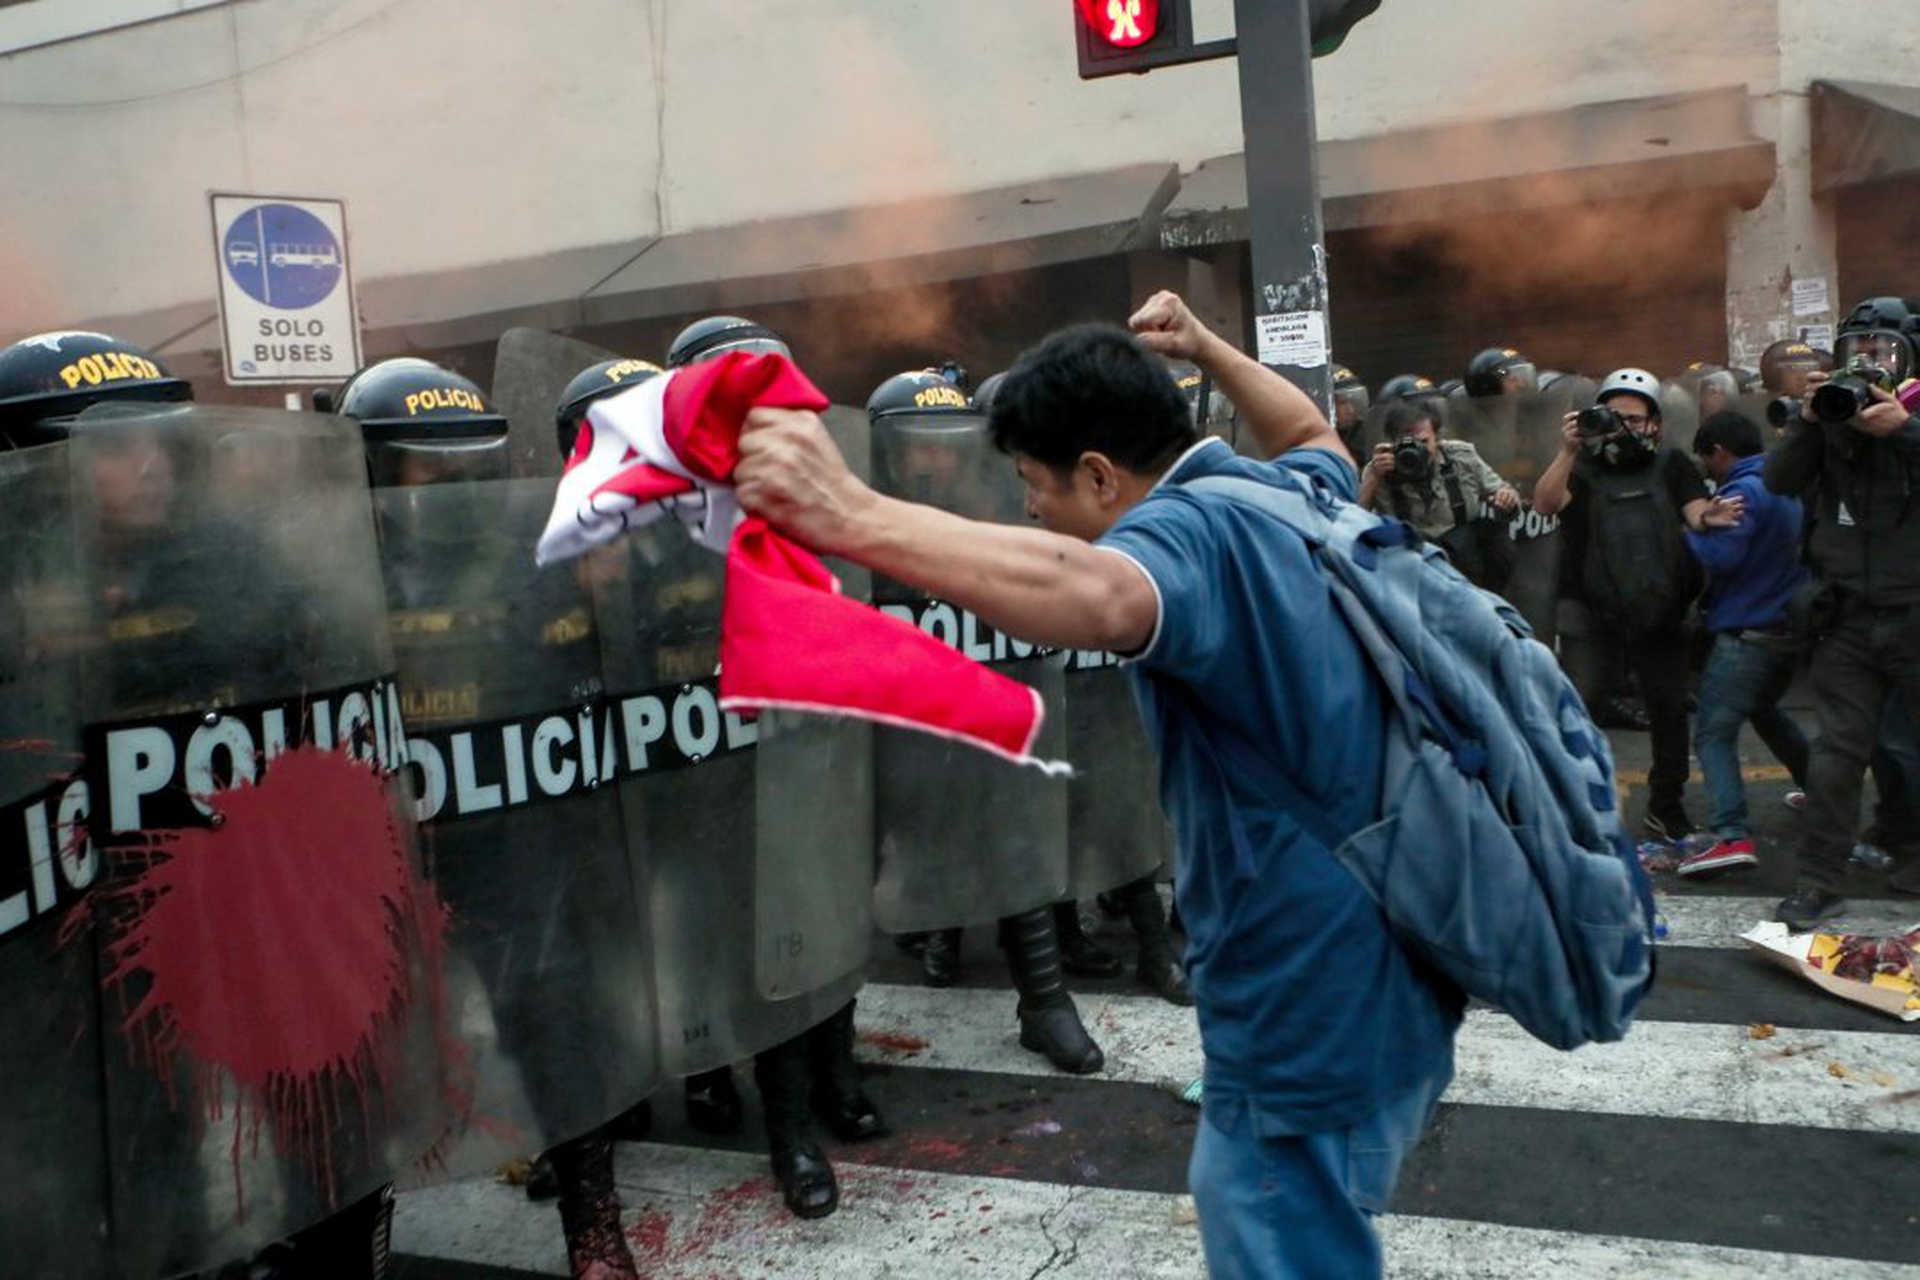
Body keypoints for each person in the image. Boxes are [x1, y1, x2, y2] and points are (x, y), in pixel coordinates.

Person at [732, 292, 1463, 1279]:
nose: (1029, 507)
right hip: (1403, 945)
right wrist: (1205, 343)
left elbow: (1098, 591)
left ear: (1100, 473)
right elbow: (1311, 427)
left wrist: (850, 512)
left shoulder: (1180, 547)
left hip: (1312, 997)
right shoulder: (1285, 491)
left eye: (1034, 485)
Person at [663, 317, 888, 1221]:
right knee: (768, 943)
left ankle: (838, 1075)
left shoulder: (805, 485)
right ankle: (788, 1128)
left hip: (814, 742)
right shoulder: (660, 503)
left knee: (827, 912)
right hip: (719, 756)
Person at [1532, 368, 1742, 841]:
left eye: (1634, 418)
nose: (1624, 427)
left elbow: (1695, 514)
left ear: (1655, 423)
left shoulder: (1671, 465)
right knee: (1580, 706)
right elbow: (1544, 505)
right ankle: (1572, 803)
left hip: (1659, 606)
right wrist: (1568, 449)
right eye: (1613, 417)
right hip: (1591, 610)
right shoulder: (1583, 469)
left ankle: (1665, 805)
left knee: (1668, 709)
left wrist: (1712, 516)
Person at [1763, 296, 1920, 923]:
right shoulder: (1833, 419)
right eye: (1856, 352)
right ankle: (1819, 880)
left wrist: (1903, 429)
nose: (1868, 364)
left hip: (1916, 612)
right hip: (1850, 616)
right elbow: (1778, 482)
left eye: (1882, 352)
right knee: (1834, 758)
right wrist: (1811, 419)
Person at [1678, 410, 1811, 877]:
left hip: (1747, 633)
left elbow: (1723, 557)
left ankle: (1731, 835)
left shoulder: (1742, 491)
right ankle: (1822, 793)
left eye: (1706, 458)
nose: (1707, 468)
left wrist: (1692, 527)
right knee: (1768, 712)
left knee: (1714, 732)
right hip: (1789, 628)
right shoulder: (1787, 481)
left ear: (1719, 452)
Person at [1357, 397, 1519, 591]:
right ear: (1390, 442)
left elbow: (1505, 494)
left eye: (1423, 442)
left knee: (1497, 540)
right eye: (1406, 443)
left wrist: (1506, 500)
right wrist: (1374, 478)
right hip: (1411, 557)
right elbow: (1353, 520)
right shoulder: (1378, 470)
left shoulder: (1461, 457)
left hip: (1464, 554)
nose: (1416, 450)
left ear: (1438, 438)